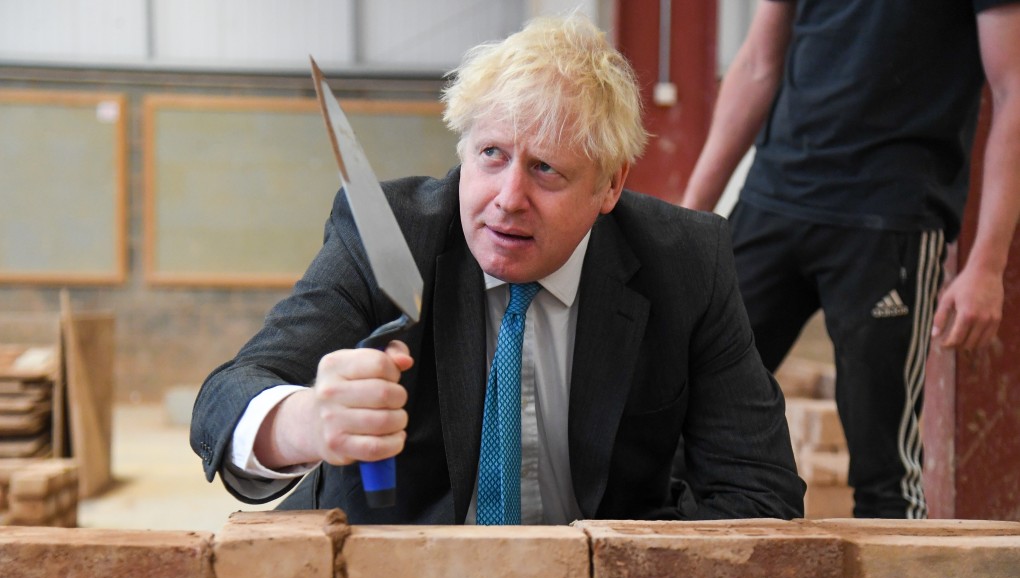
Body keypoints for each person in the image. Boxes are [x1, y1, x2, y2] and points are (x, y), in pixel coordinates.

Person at [190, 12, 805, 524]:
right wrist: (305, 422)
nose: (508, 197)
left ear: (610, 185)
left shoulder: (685, 263)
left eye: (546, 171)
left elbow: (760, 494)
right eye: (492, 155)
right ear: (463, 149)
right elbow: (225, 399)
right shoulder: (391, 239)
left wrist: (597, 574)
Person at [682, 1, 1020, 518]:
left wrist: (988, 264)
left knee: (885, 477)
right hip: (773, 199)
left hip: (891, 222)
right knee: (676, 418)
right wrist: (688, 222)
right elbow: (757, 63)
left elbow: (1012, 91)